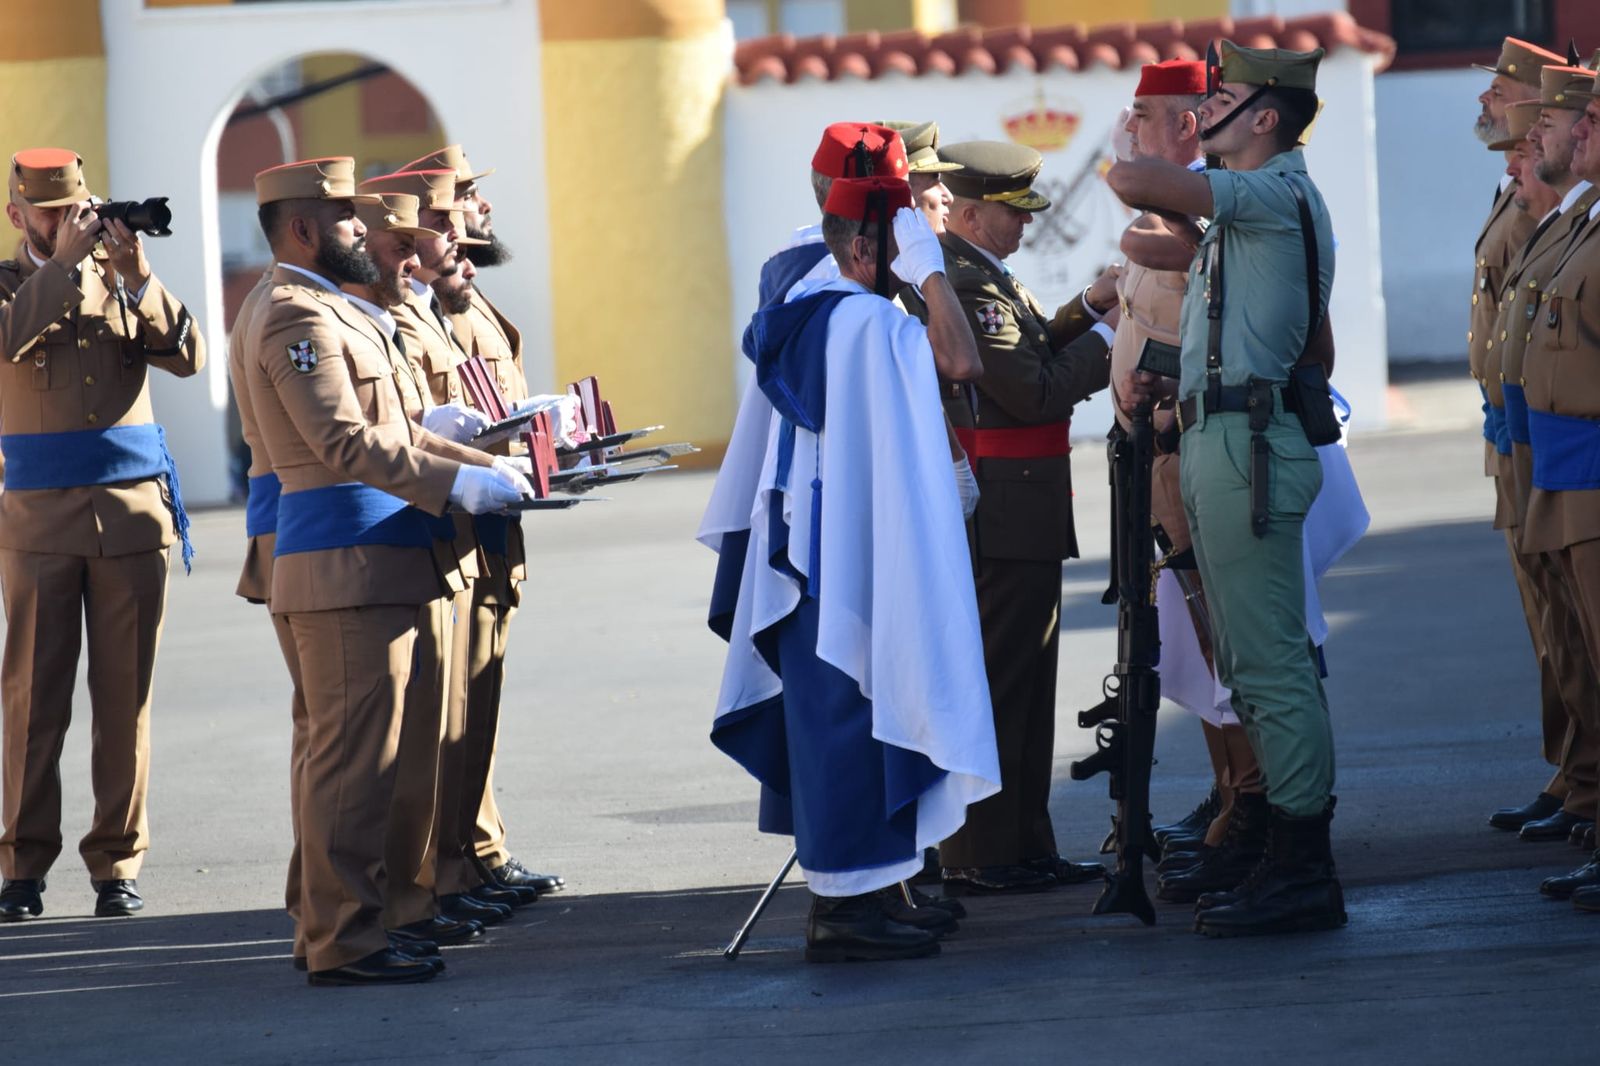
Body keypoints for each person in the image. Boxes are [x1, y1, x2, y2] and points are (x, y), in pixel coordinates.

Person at [245, 156, 530, 984]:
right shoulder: (294, 316)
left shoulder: (335, 311)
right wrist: (458, 478)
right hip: (343, 565)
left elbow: (398, 424)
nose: (362, 233)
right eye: (345, 222)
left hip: (377, 561)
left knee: (370, 766)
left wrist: (461, 446)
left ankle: (350, 926)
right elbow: (342, 441)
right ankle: (344, 942)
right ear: (303, 230)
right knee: (351, 771)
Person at [701, 174, 998, 962]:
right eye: (895, 244)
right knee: (851, 717)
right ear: (867, 246)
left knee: (853, 719)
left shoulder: (804, 307)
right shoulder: (865, 322)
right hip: (845, 553)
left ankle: (871, 891)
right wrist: (931, 269)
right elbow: (961, 360)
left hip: (812, 548)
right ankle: (842, 912)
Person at [1107, 40, 1344, 936]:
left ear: (1268, 119)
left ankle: (1303, 863)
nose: (1207, 110)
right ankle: (1281, 847)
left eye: (1225, 97)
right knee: (1243, 663)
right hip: (1220, 436)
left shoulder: (1273, 190)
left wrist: (1142, 136)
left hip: (1248, 450)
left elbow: (1136, 182)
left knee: (1271, 666)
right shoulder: (1244, 215)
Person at [0, 147, 204, 923]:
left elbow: (187, 356)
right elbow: (11, 339)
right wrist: (65, 263)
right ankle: (22, 868)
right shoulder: (12, 284)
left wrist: (138, 274)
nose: (65, 224)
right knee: (32, 703)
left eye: (73, 211)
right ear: (19, 215)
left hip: (128, 520)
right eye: (48, 215)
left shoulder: (120, 285)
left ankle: (117, 863)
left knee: (126, 702)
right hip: (39, 523)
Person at [918, 138, 1117, 896]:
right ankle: (985, 851)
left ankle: (1023, 842)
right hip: (1002, 507)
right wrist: (1110, 334)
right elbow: (1031, 391)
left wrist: (1091, 306)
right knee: (1003, 683)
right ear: (970, 213)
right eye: (1012, 213)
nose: (1025, 226)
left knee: (1029, 685)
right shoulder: (966, 285)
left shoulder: (982, 274)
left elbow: (1030, 346)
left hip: (1020, 502)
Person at [1098, 59, 1273, 899]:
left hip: (1193, 454)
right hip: (1157, 462)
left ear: (1188, 127)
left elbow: (1164, 245)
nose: (1128, 132)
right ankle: (1230, 797)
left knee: (1227, 644)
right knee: (1195, 650)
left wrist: (1137, 220)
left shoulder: (1194, 213)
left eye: (1143, 116)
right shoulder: (1166, 211)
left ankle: (1254, 810)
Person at [1469, 38, 1580, 835]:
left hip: (1548, 439)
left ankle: (1584, 778)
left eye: (1499, 92)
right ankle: (1573, 773)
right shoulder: (1518, 192)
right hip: (1515, 431)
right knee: (1549, 616)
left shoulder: (1553, 200)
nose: (1484, 105)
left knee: (1568, 618)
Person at [1490, 65, 1600, 851]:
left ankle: (1590, 788)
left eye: (1550, 129)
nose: (1524, 145)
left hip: (1580, 459)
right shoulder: (1575, 221)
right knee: (1566, 632)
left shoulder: (1579, 220)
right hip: (1540, 448)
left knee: (1586, 638)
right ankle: (1583, 782)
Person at [1520, 77, 1600, 913]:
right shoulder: (1583, 223)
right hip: (1562, 471)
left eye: (1588, 121)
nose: (1574, 137)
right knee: (1582, 659)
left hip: (1592, 474)